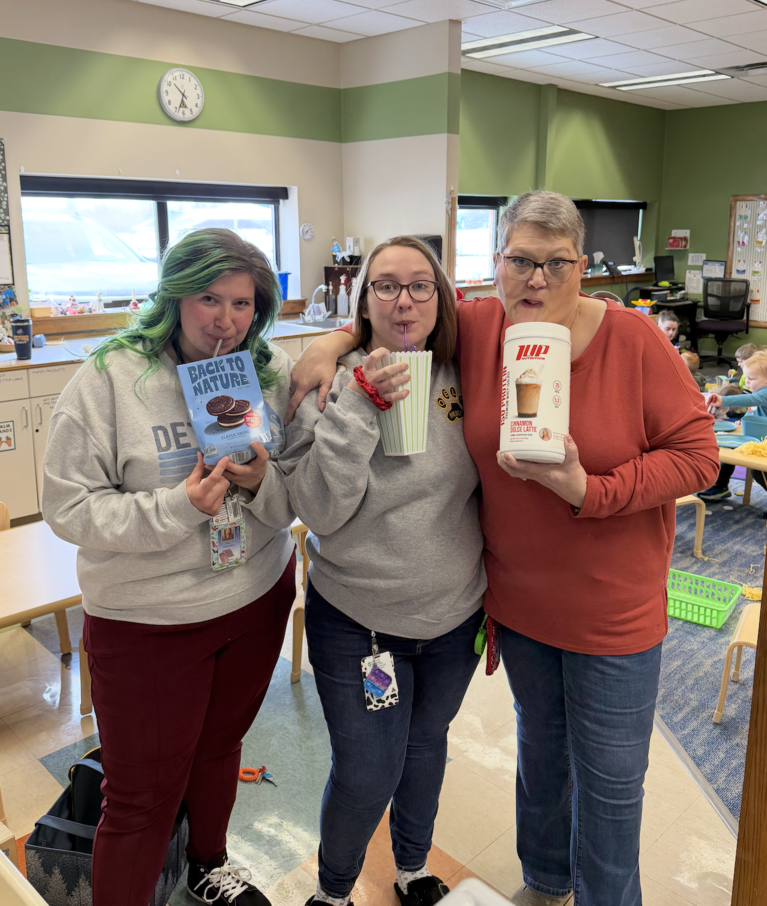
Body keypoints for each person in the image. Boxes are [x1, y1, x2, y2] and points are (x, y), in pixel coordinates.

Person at [287, 193, 719, 906]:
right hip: (515, 608)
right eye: (521, 261)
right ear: (497, 264)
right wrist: (330, 342)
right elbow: (400, 309)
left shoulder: (633, 339)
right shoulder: (483, 326)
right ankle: (545, 885)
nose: (537, 280)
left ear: (582, 266)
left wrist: (591, 489)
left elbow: (698, 457)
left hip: (610, 612)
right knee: (540, 763)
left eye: (556, 263)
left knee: (610, 788)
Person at [43, 229, 297, 906]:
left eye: (242, 303)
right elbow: (68, 508)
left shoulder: (268, 371)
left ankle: (208, 865)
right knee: (141, 795)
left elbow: (298, 489)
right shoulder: (109, 379)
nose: (225, 320)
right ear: (174, 296)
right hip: (148, 618)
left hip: (255, 597)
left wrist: (261, 482)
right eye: (208, 298)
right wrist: (176, 508)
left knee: (220, 747)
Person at [276, 237, 485, 906]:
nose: (404, 300)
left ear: (441, 297)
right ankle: (334, 892)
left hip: (455, 618)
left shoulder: (468, 372)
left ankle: (412, 870)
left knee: (425, 750)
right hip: (360, 624)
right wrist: (360, 401)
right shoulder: (327, 383)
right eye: (385, 285)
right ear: (362, 301)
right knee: (368, 772)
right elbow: (319, 511)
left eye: (421, 285)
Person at [700, 351, 767, 505]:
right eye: (746, 378)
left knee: (757, 471)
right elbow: (755, 410)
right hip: (758, 437)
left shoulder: (764, 393)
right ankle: (721, 486)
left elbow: (752, 400)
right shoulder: (760, 392)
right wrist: (743, 422)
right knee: (732, 448)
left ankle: (720, 486)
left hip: (763, 443)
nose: (747, 383)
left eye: (751, 379)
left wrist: (723, 400)